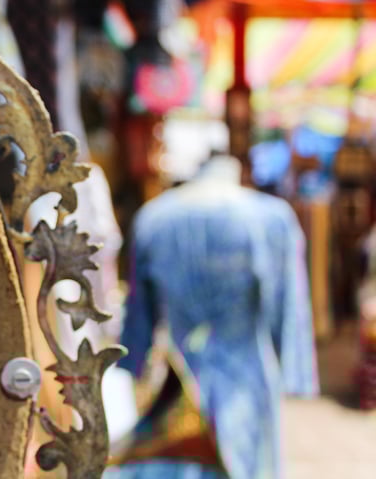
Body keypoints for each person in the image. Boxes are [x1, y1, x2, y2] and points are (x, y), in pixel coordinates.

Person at [112, 153, 318, 479]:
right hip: (247, 371)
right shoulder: (272, 218)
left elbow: (139, 313)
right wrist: (296, 374)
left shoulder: (154, 217)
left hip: (179, 376)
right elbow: (288, 304)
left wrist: (132, 365)